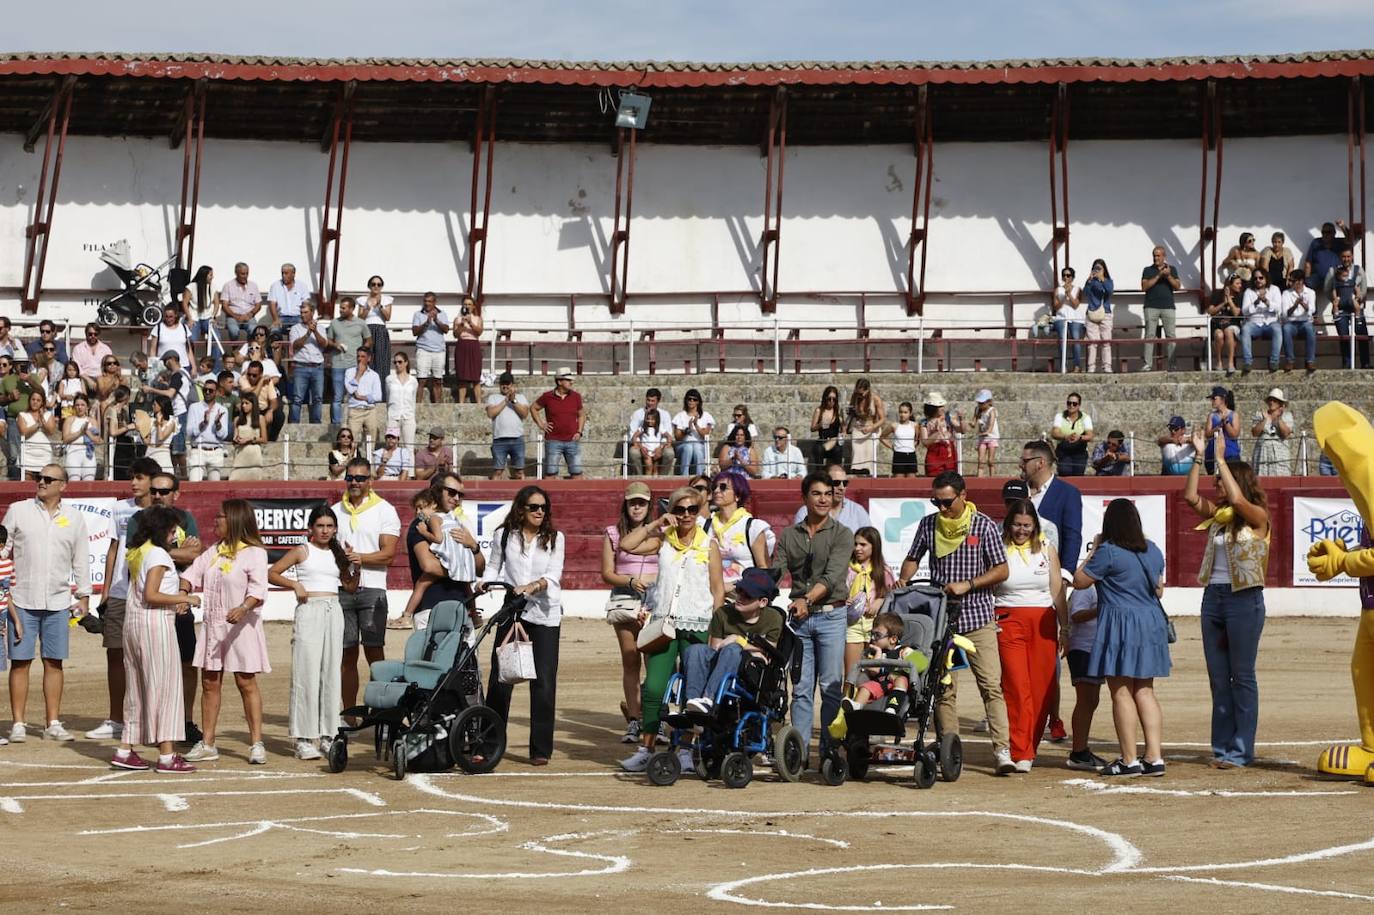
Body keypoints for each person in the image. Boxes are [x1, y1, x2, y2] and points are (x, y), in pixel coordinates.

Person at [900, 470, 1013, 774]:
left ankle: (1003, 750)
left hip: (977, 618)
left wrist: (970, 584)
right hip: (941, 621)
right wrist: (903, 579)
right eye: (936, 501)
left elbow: (1002, 570)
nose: (942, 508)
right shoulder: (929, 524)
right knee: (943, 690)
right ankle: (950, 750)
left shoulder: (984, 525)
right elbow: (914, 556)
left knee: (991, 685)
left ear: (963, 495)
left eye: (947, 501)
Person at [617, 484, 724, 773]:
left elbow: (718, 590)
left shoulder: (709, 544)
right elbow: (626, 545)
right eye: (680, 509)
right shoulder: (663, 539)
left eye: (692, 509)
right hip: (665, 622)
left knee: (692, 692)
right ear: (672, 512)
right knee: (653, 688)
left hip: (698, 624)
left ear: (699, 510)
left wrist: (715, 630)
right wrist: (655, 523)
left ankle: (687, 750)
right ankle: (646, 748)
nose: (687, 515)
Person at [1184, 434, 1270, 769]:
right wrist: (1199, 455)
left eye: (1221, 480)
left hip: (1243, 600)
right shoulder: (1220, 518)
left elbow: (1236, 498)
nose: (1216, 484)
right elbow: (1190, 496)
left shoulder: (1257, 516)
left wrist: (1220, 458)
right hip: (1214, 599)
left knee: (1243, 676)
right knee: (1219, 677)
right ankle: (1222, 747)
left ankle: (1240, 749)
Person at [1072, 498, 1170, 777]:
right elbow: (1159, 590)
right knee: (1145, 690)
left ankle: (1129, 760)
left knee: (1121, 690)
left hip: (1120, 621)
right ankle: (1154, 756)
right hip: (1150, 621)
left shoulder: (1109, 552)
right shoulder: (1153, 550)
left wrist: (1095, 548)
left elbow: (1080, 581)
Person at [479, 485, 566, 766]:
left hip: (544, 614)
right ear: (522, 509)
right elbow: (494, 566)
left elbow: (554, 576)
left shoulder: (555, 538)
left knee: (543, 681)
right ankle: (490, 742)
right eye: (534, 507)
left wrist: (533, 585)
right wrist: (484, 582)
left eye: (544, 507)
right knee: (501, 679)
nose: (540, 512)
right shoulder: (504, 535)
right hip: (513, 609)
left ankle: (540, 749)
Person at [4, 464, 90, 743]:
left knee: (54, 662)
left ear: (63, 485)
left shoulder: (75, 518)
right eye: (38, 477)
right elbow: (2, 549)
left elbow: (81, 558)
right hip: (21, 599)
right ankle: (18, 723)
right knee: (20, 662)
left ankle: (52, 721)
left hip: (57, 600)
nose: (41, 482)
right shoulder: (18, 511)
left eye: (48, 479)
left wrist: (85, 596)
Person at [772, 472, 854, 759]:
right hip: (800, 620)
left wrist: (806, 599)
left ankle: (830, 751)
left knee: (831, 686)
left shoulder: (842, 534)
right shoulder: (789, 535)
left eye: (828, 494)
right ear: (804, 497)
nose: (823, 499)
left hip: (831, 616)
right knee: (802, 688)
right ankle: (801, 751)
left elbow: (833, 577)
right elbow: (776, 570)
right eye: (817, 494)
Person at [180, 500, 269, 765]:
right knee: (210, 682)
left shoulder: (254, 552)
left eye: (220, 517)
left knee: (245, 681)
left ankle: (256, 743)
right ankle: (207, 742)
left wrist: (243, 608)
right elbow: (190, 574)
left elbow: (258, 589)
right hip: (213, 624)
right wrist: (184, 593)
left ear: (234, 520)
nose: (215, 521)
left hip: (241, 626)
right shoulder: (214, 551)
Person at [111, 505, 199, 773]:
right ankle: (166, 754)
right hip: (155, 624)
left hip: (135, 624)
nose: (175, 536)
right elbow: (152, 594)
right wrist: (185, 598)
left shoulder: (138, 551)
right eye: (172, 531)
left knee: (137, 688)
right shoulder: (158, 554)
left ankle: (125, 748)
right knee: (166, 688)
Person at [268, 505, 359, 760]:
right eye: (320, 526)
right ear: (311, 527)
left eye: (330, 526)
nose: (325, 530)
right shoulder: (302, 550)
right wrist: (294, 583)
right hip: (309, 609)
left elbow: (350, 587)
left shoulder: (338, 553)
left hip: (334, 609)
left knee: (331, 673)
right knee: (305, 672)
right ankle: (304, 738)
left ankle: (328, 734)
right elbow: (272, 573)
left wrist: (356, 567)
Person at [86, 457, 161, 742]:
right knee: (115, 654)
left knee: (150, 658)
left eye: (140, 477)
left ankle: (151, 718)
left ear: (153, 480)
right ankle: (117, 718)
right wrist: (105, 593)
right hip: (119, 593)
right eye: (132, 477)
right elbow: (113, 551)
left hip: (150, 593)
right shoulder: (119, 508)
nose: (133, 483)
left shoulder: (162, 512)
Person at [994, 499, 1068, 772]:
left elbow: (1057, 590)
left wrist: (1066, 627)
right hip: (1007, 619)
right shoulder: (998, 547)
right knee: (1015, 686)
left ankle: (1029, 747)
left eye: (1026, 525)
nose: (1021, 530)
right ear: (1008, 523)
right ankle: (1019, 748)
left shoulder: (1047, 548)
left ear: (1035, 525)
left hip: (1043, 623)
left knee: (1041, 689)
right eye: (1017, 524)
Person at [331, 457, 400, 712]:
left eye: (360, 478)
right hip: (343, 589)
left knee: (374, 654)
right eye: (350, 478)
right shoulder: (336, 512)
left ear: (370, 480)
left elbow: (389, 555)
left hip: (372, 588)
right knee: (347, 655)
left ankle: (381, 711)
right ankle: (348, 713)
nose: (355, 482)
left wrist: (359, 557)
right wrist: (344, 560)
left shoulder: (385, 510)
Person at [600, 482, 658, 744]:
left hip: (655, 599)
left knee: (654, 662)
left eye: (642, 503)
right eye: (633, 502)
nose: (637, 507)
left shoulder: (660, 532)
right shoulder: (613, 533)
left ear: (649, 505)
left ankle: (652, 719)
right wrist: (631, 581)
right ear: (626, 504)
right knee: (631, 658)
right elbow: (607, 573)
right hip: (625, 597)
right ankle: (635, 721)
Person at [681, 567, 784, 715]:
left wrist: (738, 640)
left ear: (762, 602)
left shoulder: (773, 618)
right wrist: (750, 647)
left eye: (747, 595)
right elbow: (715, 648)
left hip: (750, 673)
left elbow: (768, 652)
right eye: (739, 590)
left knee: (733, 648)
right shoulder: (723, 613)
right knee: (695, 649)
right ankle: (692, 704)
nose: (740, 597)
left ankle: (709, 700)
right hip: (721, 663)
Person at [402, 471, 482, 632]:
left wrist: (474, 546)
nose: (457, 498)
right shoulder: (421, 524)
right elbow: (429, 566)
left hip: (461, 608)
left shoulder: (461, 523)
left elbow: (479, 568)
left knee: (466, 657)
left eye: (460, 494)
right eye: (452, 492)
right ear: (437, 492)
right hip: (432, 608)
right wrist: (462, 569)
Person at [1063, 570, 1107, 771]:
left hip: (1092, 648)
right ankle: (1079, 751)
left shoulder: (1092, 585)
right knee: (1086, 700)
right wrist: (1103, 609)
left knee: (1090, 700)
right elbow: (1077, 615)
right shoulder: (1086, 587)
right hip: (1083, 648)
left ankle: (1081, 749)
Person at [843, 525, 894, 684]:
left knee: (873, 673)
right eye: (855, 544)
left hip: (876, 626)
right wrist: (845, 599)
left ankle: (867, 705)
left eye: (863, 545)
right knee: (851, 674)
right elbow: (839, 590)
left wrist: (879, 601)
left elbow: (891, 595)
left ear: (874, 546)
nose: (857, 548)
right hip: (853, 624)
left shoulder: (883, 571)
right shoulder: (847, 569)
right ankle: (848, 706)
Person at [1021, 439, 1083, 570]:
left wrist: (1065, 575)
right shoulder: (1019, 491)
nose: (1020, 465)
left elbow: (1072, 537)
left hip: (1050, 573)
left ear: (1040, 463)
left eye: (1025, 461)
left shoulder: (1067, 493)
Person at [706, 469, 772, 590]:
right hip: (709, 593)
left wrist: (735, 587)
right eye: (714, 487)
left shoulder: (752, 527)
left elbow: (763, 569)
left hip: (742, 594)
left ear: (737, 495)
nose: (716, 491)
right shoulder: (706, 525)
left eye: (723, 487)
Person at [532, 367, 585, 479]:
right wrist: (541, 424)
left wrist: (579, 432)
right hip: (553, 440)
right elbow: (533, 408)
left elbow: (581, 415)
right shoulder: (547, 396)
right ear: (559, 381)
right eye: (568, 380)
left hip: (572, 440)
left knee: (577, 474)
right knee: (551, 474)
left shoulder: (576, 396)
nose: (571, 382)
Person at [791, 462, 872, 532]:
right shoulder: (805, 512)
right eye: (836, 483)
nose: (841, 487)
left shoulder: (858, 511)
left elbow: (869, 542)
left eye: (845, 483)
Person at [325, 296, 368, 424]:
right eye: (340, 308)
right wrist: (335, 345)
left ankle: (355, 421)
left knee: (355, 394)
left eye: (344, 308)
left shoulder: (361, 323)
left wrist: (362, 353)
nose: (341, 310)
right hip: (337, 364)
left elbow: (369, 340)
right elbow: (328, 340)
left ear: (352, 309)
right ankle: (336, 424)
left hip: (354, 365)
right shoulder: (334, 323)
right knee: (337, 397)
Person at [1324, 247, 1368, 369]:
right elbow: (1327, 289)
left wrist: (1358, 299)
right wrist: (1335, 300)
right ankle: (1347, 363)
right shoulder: (1333, 271)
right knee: (1344, 336)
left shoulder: (1359, 270)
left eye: (1348, 256)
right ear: (1340, 257)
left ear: (1352, 257)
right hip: (1341, 308)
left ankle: (1365, 363)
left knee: (1362, 334)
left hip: (1355, 306)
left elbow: (1363, 288)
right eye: (1344, 256)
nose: (1346, 259)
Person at [1140, 245, 1181, 371]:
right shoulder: (1147, 270)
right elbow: (1144, 287)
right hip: (1151, 306)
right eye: (1154, 255)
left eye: (1158, 255)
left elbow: (1177, 286)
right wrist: (1159, 275)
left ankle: (1172, 365)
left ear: (1164, 256)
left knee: (1171, 336)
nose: (1155, 258)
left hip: (1168, 306)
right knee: (1149, 335)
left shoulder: (1172, 269)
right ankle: (1148, 364)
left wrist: (1168, 276)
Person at [286, 302, 327, 424]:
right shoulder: (295, 328)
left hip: (318, 367)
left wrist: (315, 331)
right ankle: (294, 425)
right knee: (297, 398)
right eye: (301, 313)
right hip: (301, 367)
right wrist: (308, 333)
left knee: (318, 398)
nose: (302, 315)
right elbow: (295, 345)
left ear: (312, 313)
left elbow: (324, 344)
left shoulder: (321, 328)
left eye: (305, 312)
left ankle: (316, 425)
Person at [486, 370, 529, 480]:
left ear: (512, 385)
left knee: (519, 472)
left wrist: (513, 400)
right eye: (502, 384)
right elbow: (491, 413)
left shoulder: (521, 397)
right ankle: (494, 496)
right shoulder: (493, 397)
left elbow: (524, 414)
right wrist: (506, 401)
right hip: (499, 439)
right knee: (498, 472)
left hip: (517, 439)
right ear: (499, 385)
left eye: (507, 384)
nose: (505, 386)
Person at [1240, 268, 1283, 375]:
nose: (1258, 280)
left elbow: (1279, 309)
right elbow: (1244, 311)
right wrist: (1256, 302)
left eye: (1261, 278)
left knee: (1277, 329)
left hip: (1271, 322)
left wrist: (1266, 301)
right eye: (1255, 278)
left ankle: (1274, 361)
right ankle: (1247, 362)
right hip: (1254, 323)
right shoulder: (1249, 291)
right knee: (1245, 329)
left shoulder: (1274, 289)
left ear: (1266, 278)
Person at [185, 383, 230, 482]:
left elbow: (223, 435)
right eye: (205, 390)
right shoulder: (194, 407)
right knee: (194, 484)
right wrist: (204, 423)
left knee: (214, 488)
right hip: (198, 450)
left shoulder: (222, 409)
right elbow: (189, 432)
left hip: (215, 451)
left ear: (217, 392)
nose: (207, 392)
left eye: (210, 390)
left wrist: (218, 424)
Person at [411, 291, 449, 404]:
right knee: (421, 380)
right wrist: (427, 323)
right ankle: (418, 406)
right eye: (425, 301)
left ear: (434, 302)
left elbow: (446, 329)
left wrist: (436, 320)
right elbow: (415, 332)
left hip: (439, 351)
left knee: (438, 380)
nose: (427, 303)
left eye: (429, 301)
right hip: (423, 350)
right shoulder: (418, 314)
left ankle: (438, 406)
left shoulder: (442, 313)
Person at [344, 347, 385, 449]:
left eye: (363, 356)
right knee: (352, 441)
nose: (359, 359)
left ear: (369, 358)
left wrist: (362, 397)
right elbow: (350, 389)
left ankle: (370, 462)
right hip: (355, 410)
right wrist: (359, 374)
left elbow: (378, 396)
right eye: (358, 356)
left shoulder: (374, 375)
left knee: (371, 441)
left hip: (369, 410)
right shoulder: (349, 372)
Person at [627, 388, 673, 476]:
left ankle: (662, 477)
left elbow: (668, 434)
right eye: (648, 400)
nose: (650, 403)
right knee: (633, 452)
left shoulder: (665, 414)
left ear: (658, 401)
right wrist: (641, 447)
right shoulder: (637, 414)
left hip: (659, 445)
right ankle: (640, 477)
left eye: (653, 401)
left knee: (669, 453)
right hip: (642, 445)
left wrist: (661, 447)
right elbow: (633, 434)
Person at [358, 275, 394, 392]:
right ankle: (366, 391)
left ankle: (382, 393)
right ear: (369, 286)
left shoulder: (387, 299)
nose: (376, 286)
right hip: (367, 331)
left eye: (379, 284)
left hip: (381, 331)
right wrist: (368, 307)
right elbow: (360, 318)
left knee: (382, 362)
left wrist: (379, 305)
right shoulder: (362, 300)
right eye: (373, 284)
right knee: (367, 361)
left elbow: (387, 317)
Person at [1207, 273, 1245, 377]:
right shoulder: (1217, 294)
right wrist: (1223, 303)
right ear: (1229, 284)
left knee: (1228, 331)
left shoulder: (1240, 296)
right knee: (1219, 335)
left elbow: (1236, 313)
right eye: (1237, 283)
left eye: (1240, 283)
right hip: (1218, 325)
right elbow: (1210, 311)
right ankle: (1218, 362)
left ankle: (1230, 363)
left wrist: (1229, 300)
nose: (1240, 285)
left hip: (1233, 324)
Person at [845, 377, 885, 477]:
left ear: (867, 390)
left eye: (862, 393)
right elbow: (851, 413)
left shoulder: (875, 399)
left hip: (871, 427)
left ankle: (868, 472)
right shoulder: (855, 397)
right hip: (858, 427)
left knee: (869, 452)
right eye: (858, 393)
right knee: (857, 451)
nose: (860, 395)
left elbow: (882, 419)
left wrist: (872, 427)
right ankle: (857, 471)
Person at [1280, 269, 1317, 374]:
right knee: (1286, 329)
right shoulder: (1286, 293)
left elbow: (1312, 310)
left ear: (1300, 281)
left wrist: (1303, 304)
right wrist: (1295, 305)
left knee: (1310, 329)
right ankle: (1290, 360)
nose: (1290, 283)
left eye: (1293, 280)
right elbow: (1285, 313)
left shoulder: (1310, 292)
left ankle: (1310, 360)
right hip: (1291, 323)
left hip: (1305, 321)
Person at [1250, 388, 1294, 476]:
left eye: (1275, 400)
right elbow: (1254, 433)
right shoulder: (1260, 415)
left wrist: (1279, 418)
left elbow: (1285, 433)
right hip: (1263, 452)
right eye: (1270, 400)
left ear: (1280, 403)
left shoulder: (1287, 416)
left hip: (1280, 454)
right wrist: (1265, 420)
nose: (1272, 402)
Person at [671, 388, 714, 478]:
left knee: (697, 449)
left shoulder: (706, 416)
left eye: (694, 399)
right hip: (683, 445)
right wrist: (687, 430)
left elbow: (706, 435)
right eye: (689, 399)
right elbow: (678, 437)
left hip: (700, 445)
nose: (691, 401)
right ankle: (684, 476)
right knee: (688, 447)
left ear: (698, 402)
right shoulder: (680, 416)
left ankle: (700, 477)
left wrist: (696, 425)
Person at [16, 389, 57, 481]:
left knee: (43, 484)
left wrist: (42, 418)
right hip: (27, 455)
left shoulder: (48, 415)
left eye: (38, 400)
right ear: (29, 400)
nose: (35, 402)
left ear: (42, 403)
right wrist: (38, 424)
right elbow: (24, 433)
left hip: (44, 455)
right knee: (27, 485)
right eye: (33, 399)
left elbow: (50, 431)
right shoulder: (22, 415)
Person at [1083, 258, 1115, 374]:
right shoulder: (1091, 282)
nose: (1097, 270)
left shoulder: (1108, 281)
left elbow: (1110, 291)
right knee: (1092, 342)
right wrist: (1089, 281)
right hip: (1091, 313)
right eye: (1095, 268)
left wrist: (1102, 279)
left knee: (1106, 341)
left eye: (1099, 268)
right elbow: (1085, 293)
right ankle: (1091, 367)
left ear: (1104, 269)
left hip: (1105, 313)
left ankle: (1107, 366)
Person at [1052, 266, 1086, 373]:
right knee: (1063, 339)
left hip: (1075, 318)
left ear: (1072, 277)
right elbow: (1056, 307)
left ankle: (1077, 366)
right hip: (1061, 317)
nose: (1066, 277)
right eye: (1064, 275)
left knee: (1075, 339)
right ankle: (1064, 366)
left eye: (1068, 275)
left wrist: (1069, 294)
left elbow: (1076, 305)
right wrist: (1063, 298)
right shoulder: (1057, 290)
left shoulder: (1078, 289)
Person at [919, 392, 962, 476]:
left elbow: (961, 430)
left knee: (950, 478)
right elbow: (925, 442)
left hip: (949, 453)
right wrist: (936, 432)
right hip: (934, 454)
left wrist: (961, 419)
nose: (943, 408)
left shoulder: (948, 418)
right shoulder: (924, 423)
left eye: (942, 406)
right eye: (940, 406)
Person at [1051, 392, 1093, 477]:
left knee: (1078, 476)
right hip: (1064, 451)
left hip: (1080, 451)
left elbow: (1090, 436)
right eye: (1069, 403)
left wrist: (1079, 437)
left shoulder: (1085, 418)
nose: (1071, 406)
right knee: (1065, 472)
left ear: (1079, 405)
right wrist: (1066, 437)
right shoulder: (1060, 416)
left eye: (1074, 404)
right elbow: (1054, 433)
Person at [61, 393, 100, 482]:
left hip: (88, 454)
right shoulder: (69, 420)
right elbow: (65, 438)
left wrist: (87, 432)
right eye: (77, 405)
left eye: (82, 405)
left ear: (87, 407)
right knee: (73, 481)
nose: (80, 407)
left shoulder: (92, 421)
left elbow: (97, 440)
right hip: (73, 453)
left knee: (89, 482)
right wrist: (80, 432)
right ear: (74, 407)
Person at [453, 295, 484, 403]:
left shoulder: (478, 319)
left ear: (473, 307)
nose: (467, 306)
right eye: (465, 304)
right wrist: (462, 324)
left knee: (476, 377)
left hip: (473, 345)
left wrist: (470, 322)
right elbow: (456, 334)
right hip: (462, 345)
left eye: (469, 304)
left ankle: (479, 402)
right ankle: (461, 403)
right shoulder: (457, 319)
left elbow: (479, 332)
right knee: (462, 377)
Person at [1204, 385, 1242, 474]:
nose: (1212, 401)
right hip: (1212, 454)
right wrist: (1216, 429)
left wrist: (1226, 423)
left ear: (1222, 399)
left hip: (1230, 454)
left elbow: (1234, 435)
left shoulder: (1233, 415)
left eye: (1214, 398)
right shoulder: (1212, 416)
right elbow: (1207, 434)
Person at [219, 262, 261, 341]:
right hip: (232, 316)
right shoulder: (228, 285)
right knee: (234, 331)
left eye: (247, 273)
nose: (245, 276)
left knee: (254, 330)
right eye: (242, 274)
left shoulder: (253, 285)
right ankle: (235, 351)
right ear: (236, 273)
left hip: (249, 316)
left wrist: (250, 314)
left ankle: (250, 349)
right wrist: (236, 316)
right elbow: (224, 305)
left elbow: (258, 304)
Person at [386, 351, 418, 452]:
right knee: (391, 446)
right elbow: (388, 398)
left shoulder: (413, 381)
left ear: (406, 363)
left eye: (400, 362)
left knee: (409, 447)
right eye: (395, 362)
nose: (397, 365)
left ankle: (410, 468)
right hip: (393, 416)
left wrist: (412, 415)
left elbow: (413, 400)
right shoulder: (389, 379)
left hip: (408, 417)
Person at [229, 394, 266, 481]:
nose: (244, 406)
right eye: (242, 403)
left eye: (247, 403)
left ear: (253, 404)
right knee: (235, 480)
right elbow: (235, 437)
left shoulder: (260, 418)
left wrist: (250, 439)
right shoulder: (237, 419)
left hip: (254, 455)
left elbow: (264, 439)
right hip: (241, 455)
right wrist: (236, 440)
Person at [137, 395, 177, 475]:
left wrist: (159, 424)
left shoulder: (171, 422)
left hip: (162, 453)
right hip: (150, 452)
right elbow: (147, 441)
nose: (152, 406)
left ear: (161, 406)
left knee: (165, 476)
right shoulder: (151, 421)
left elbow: (161, 438)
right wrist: (141, 431)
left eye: (155, 404)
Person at [148, 304, 194, 372]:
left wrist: (194, 366)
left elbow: (189, 350)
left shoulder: (184, 328)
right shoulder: (158, 328)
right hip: (164, 366)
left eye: (171, 317)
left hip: (183, 366)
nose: (169, 319)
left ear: (176, 315)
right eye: (166, 317)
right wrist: (152, 367)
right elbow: (153, 349)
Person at [809, 385, 844, 470]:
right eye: (829, 399)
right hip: (823, 440)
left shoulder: (838, 412)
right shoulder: (819, 410)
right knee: (819, 449)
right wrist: (820, 425)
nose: (831, 401)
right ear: (825, 398)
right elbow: (812, 428)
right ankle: (819, 473)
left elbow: (844, 428)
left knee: (837, 450)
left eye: (834, 399)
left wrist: (842, 435)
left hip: (834, 440)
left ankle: (836, 472)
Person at [267, 263, 310, 330]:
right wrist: (276, 319)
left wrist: (306, 318)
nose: (284, 275)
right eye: (282, 273)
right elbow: (272, 304)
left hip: (298, 317)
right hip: (281, 317)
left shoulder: (302, 286)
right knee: (274, 331)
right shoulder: (275, 286)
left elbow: (306, 304)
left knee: (304, 330)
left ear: (293, 274)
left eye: (286, 273)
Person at [631, 410, 669, 478]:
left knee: (655, 469)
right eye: (648, 419)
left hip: (656, 451)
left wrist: (665, 445)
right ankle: (647, 480)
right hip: (647, 452)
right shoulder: (643, 428)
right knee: (649, 467)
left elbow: (668, 436)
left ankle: (655, 482)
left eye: (652, 419)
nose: (650, 421)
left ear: (657, 420)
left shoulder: (659, 427)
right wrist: (638, 445)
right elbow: (635, 436)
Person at [973, 389, 999, 477]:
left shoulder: (992, 411)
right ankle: (979, 479)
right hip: (982, 438)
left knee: (990, 460)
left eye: (982, 403)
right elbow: (973, 423)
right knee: (981, 461)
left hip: (991, 437)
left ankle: (992, 478)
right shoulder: (977, 410)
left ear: (989, 402)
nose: (980, 405)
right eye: (979, 403)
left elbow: (990, 426)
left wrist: (986, 432)